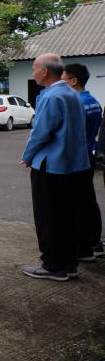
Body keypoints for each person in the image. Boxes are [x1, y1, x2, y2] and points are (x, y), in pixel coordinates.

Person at [21, 53, 90, 281]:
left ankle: (53, 266)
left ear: (44, 71)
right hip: (74, 165)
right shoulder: (72, 94)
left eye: (34, 68)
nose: (33, 73)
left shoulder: (51, 97)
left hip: (51, 166)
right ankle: (69, 264)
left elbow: (41, 132)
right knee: (67, 215)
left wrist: (27, 156)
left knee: (48, 216)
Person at [61, 63, 104, 259]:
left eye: (63, 80)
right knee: (88, 199)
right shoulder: (94, 102)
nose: (60, 84)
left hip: (76, 158)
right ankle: (94, 242)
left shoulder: (75, 103)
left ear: (73, 81)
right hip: (89, 154)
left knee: (76, 202)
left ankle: (82, 247)